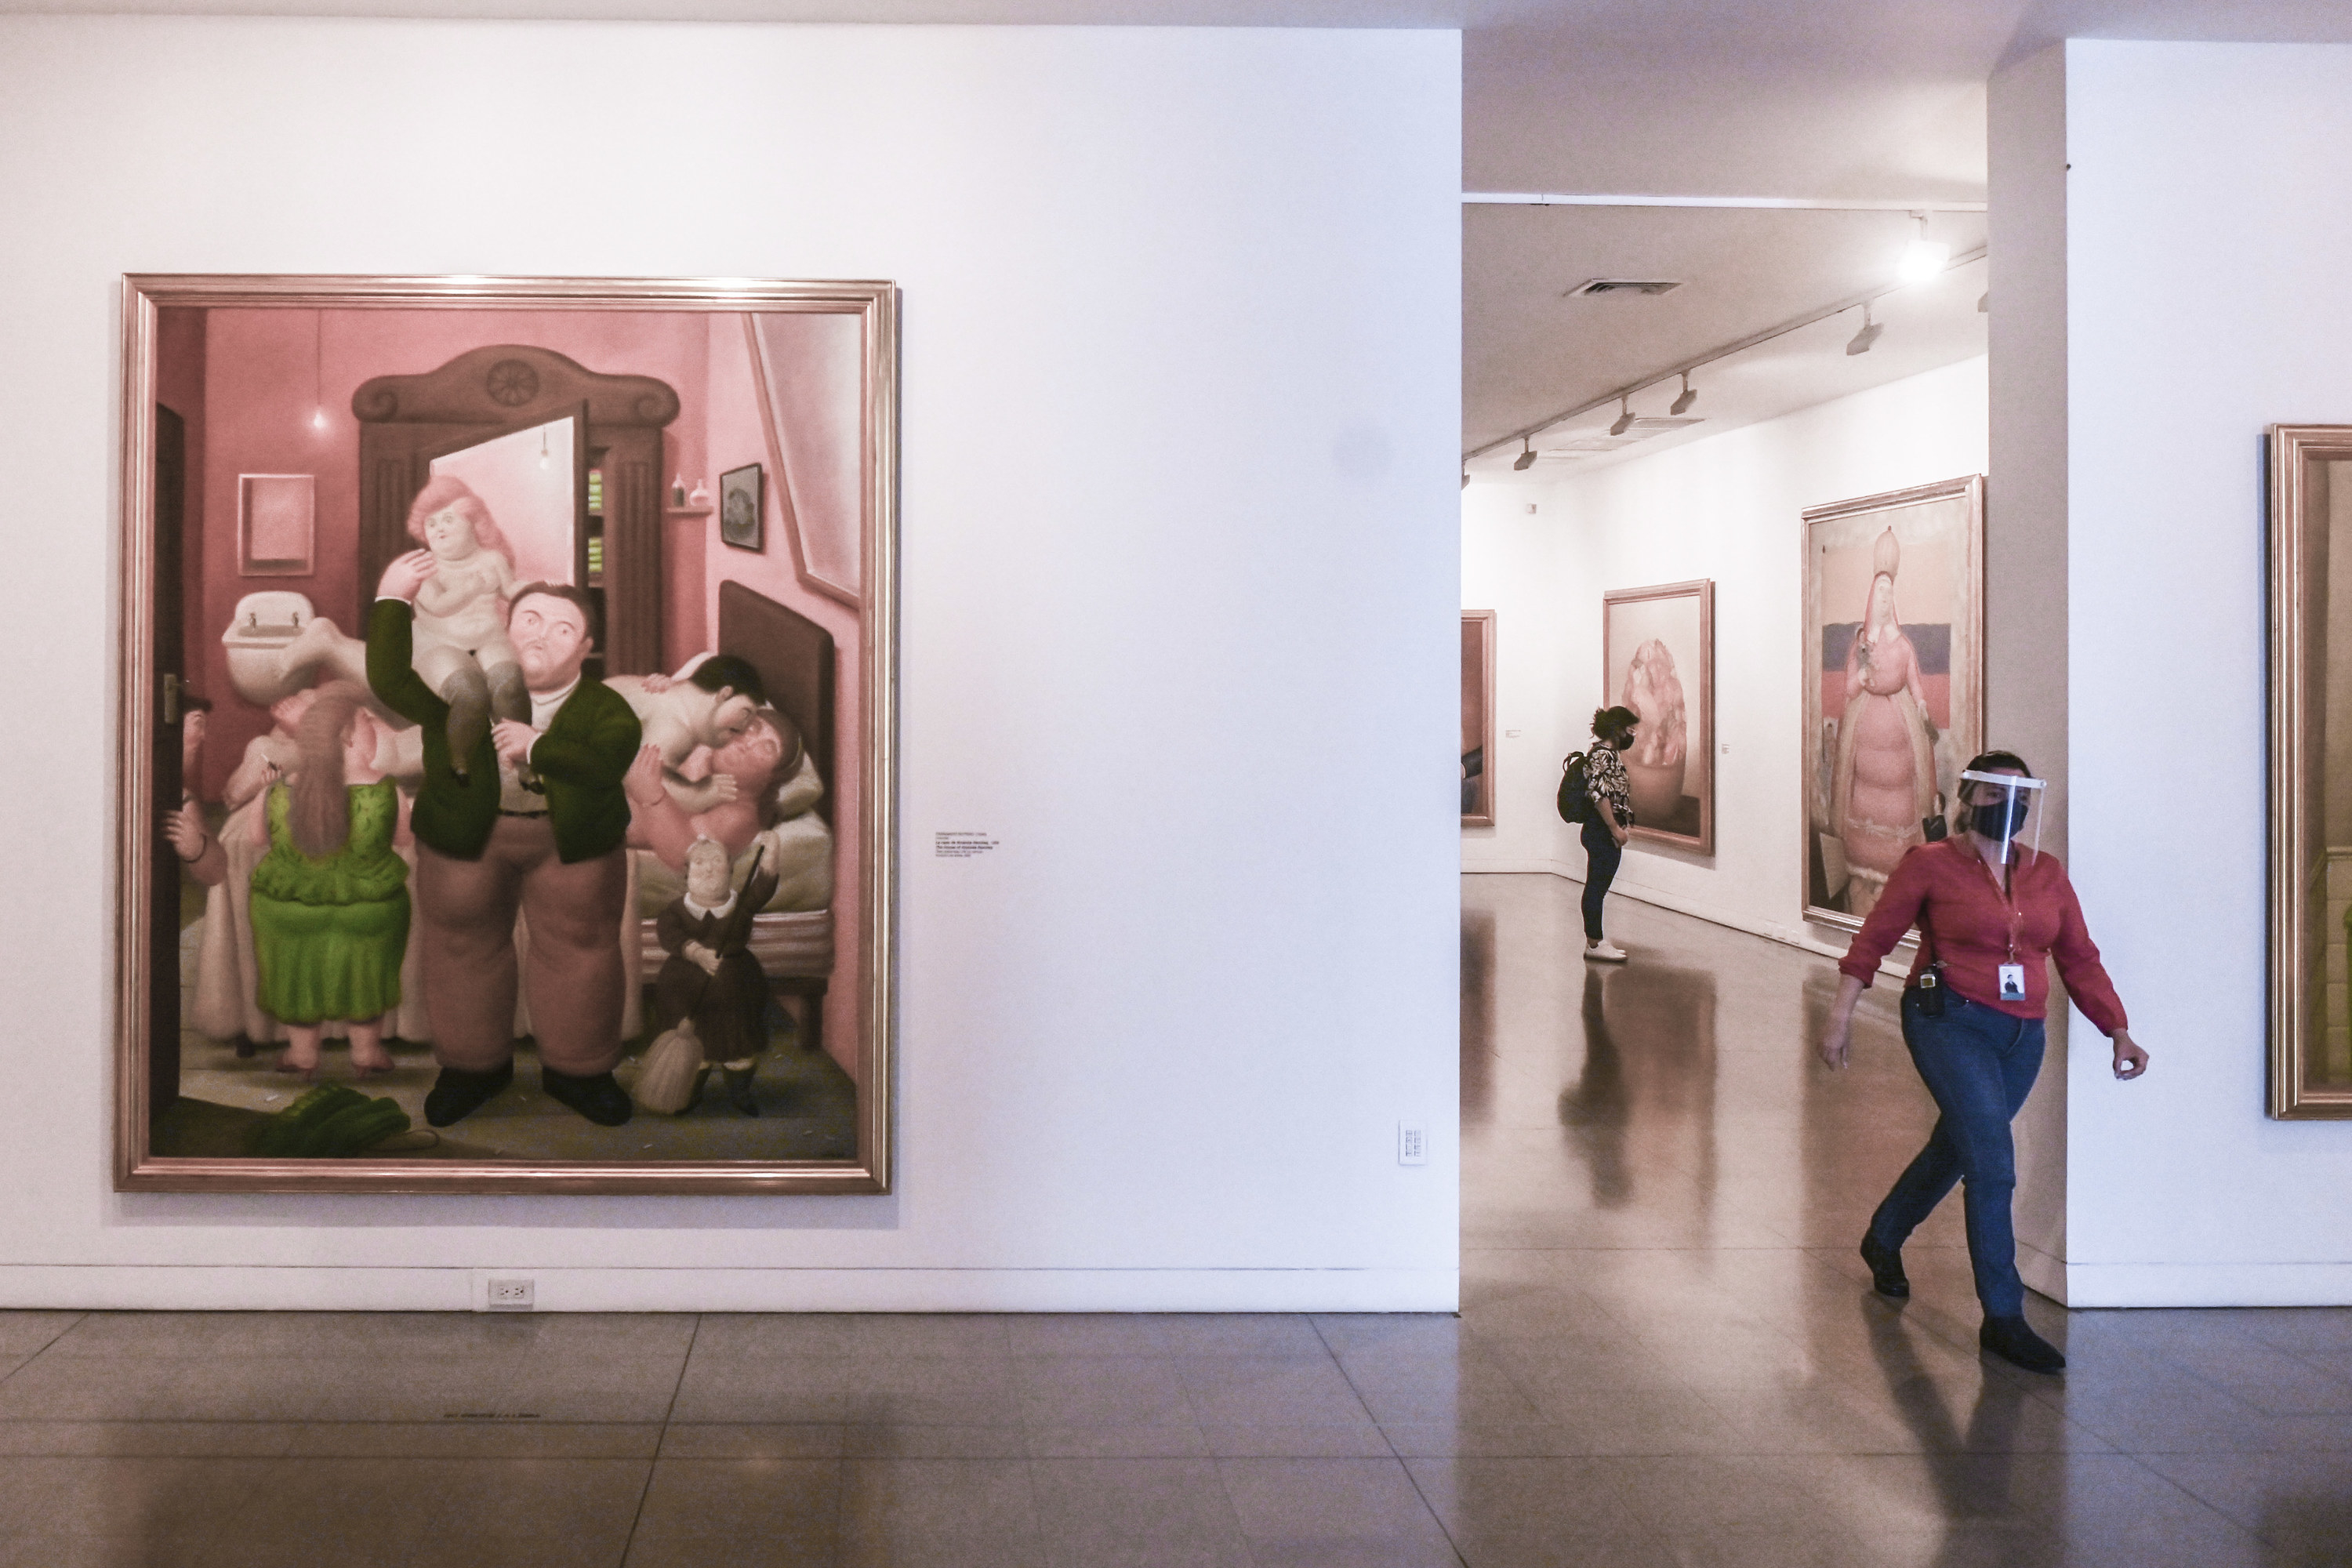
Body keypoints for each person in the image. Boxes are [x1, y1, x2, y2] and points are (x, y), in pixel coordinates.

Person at [1818, 751, 2150, 1374]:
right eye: (1997, 793)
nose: (2010, 805)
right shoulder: (1930, 865)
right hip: (1949, 1019)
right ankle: (2004, 1316)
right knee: (1993, 1165)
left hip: (2022, 1036)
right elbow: (1876, 938)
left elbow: (2079, 956)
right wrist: (1840, 1015)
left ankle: (1884, 1235)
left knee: (1960, 1147)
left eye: (2022, 794)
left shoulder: (2046, 873)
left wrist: (2118, 1028)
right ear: (1971, 797)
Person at [367, 556, 642, 1128]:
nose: (542, 636)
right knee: (461, 948)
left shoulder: (604, 708)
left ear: (587, 646)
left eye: (562, 629)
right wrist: (392, 598)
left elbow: (606, 761)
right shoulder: (456, 694)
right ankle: (472, 1069)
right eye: (531, 621)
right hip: (468, 837)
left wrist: (536, 745)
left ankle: (581, 1071)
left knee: (582, 947)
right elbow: (389, 680)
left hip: (571, 841)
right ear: (505, 627)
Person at [242, 682, 409, 1080]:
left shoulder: (280, 792)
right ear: (349, 737)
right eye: (368, 724)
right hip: (370, 911)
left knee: (296, 976)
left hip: (288, 912)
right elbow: (404, 841)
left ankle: (302, 1057)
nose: (375, 731)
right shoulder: (388, 790)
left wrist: (263, 792)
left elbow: (255, 839)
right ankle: (366, 1053)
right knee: (366, 973)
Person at [1829, 528, 1939, 918]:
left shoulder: (1903, 645)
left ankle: (1894, 880)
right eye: (1880, 592)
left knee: (1900, 792)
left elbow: (1914, 681)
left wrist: (1923, 706)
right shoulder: (1862, 644)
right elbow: (1849, 686)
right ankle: (1863, 879)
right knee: (1866, 788)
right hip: (1866, 727)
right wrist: (1862, 673)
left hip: (1900, 725)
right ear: (1871, 600)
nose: (1885, 598)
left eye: (1890, 593)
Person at [401, 477, 526, 782]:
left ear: (474, 524)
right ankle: (459, 761)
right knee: (470, 693)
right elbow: (439, 606)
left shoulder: (492, 559)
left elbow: (510, 590)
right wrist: (470, 589)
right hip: (440, 643)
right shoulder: (424, 566)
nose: (439, 528)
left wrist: (534, 588)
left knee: (508, 684)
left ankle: (520, 758)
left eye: (448, 519)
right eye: (431, 524)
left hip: (488, 638)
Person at [653, 837, 782, 1116]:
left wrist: (771, 851)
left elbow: (764, 886)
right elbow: (669, 935)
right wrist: (697, 953)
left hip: (737, 990)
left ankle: (741, 1092)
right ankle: (689, 1092)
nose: (709, 869)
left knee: (738, 1049)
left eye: (717, 861)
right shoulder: (675, 910)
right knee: (691, 1049)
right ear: (686, 873)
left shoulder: (741, 906)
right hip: (684, 991)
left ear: (731, 870)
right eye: (699, 863)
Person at [1581, 706, 1639, 963]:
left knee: (1597, 886)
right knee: (1596, 888)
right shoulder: (1602, 755)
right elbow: (1598, 793)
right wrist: (1614, 827)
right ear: (1617, 729)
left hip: (1602, 830)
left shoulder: (1608, 754)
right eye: (1629, 730)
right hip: (1600, 830)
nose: (1632, 735)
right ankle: (1594, 944)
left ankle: (1595, 941)